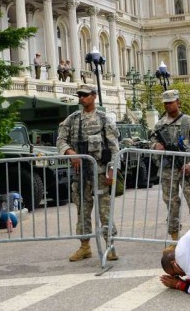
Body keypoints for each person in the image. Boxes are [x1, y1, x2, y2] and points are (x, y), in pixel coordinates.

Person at [56, 84, 120, 261]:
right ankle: (85, 247)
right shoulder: (73, 119)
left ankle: (111, 246)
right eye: (80, 96)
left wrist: (112, 170)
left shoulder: (104, 119)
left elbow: (114, 148)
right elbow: (60, 139)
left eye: (85, 95)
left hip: (100, 172)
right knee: (82, 211)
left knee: (105, 211)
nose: (82, 98)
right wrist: (71, 152)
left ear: (94, 96)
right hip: (80, 174)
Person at [151, 90, 190, 243]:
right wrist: (155, 145)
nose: (168, 105)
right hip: (168, 171)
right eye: (166, 103)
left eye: (171, 102)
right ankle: (175, 239)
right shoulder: (160, 124)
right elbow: (150, 143)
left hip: (186, 171)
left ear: (178, 102)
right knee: (171, 205)